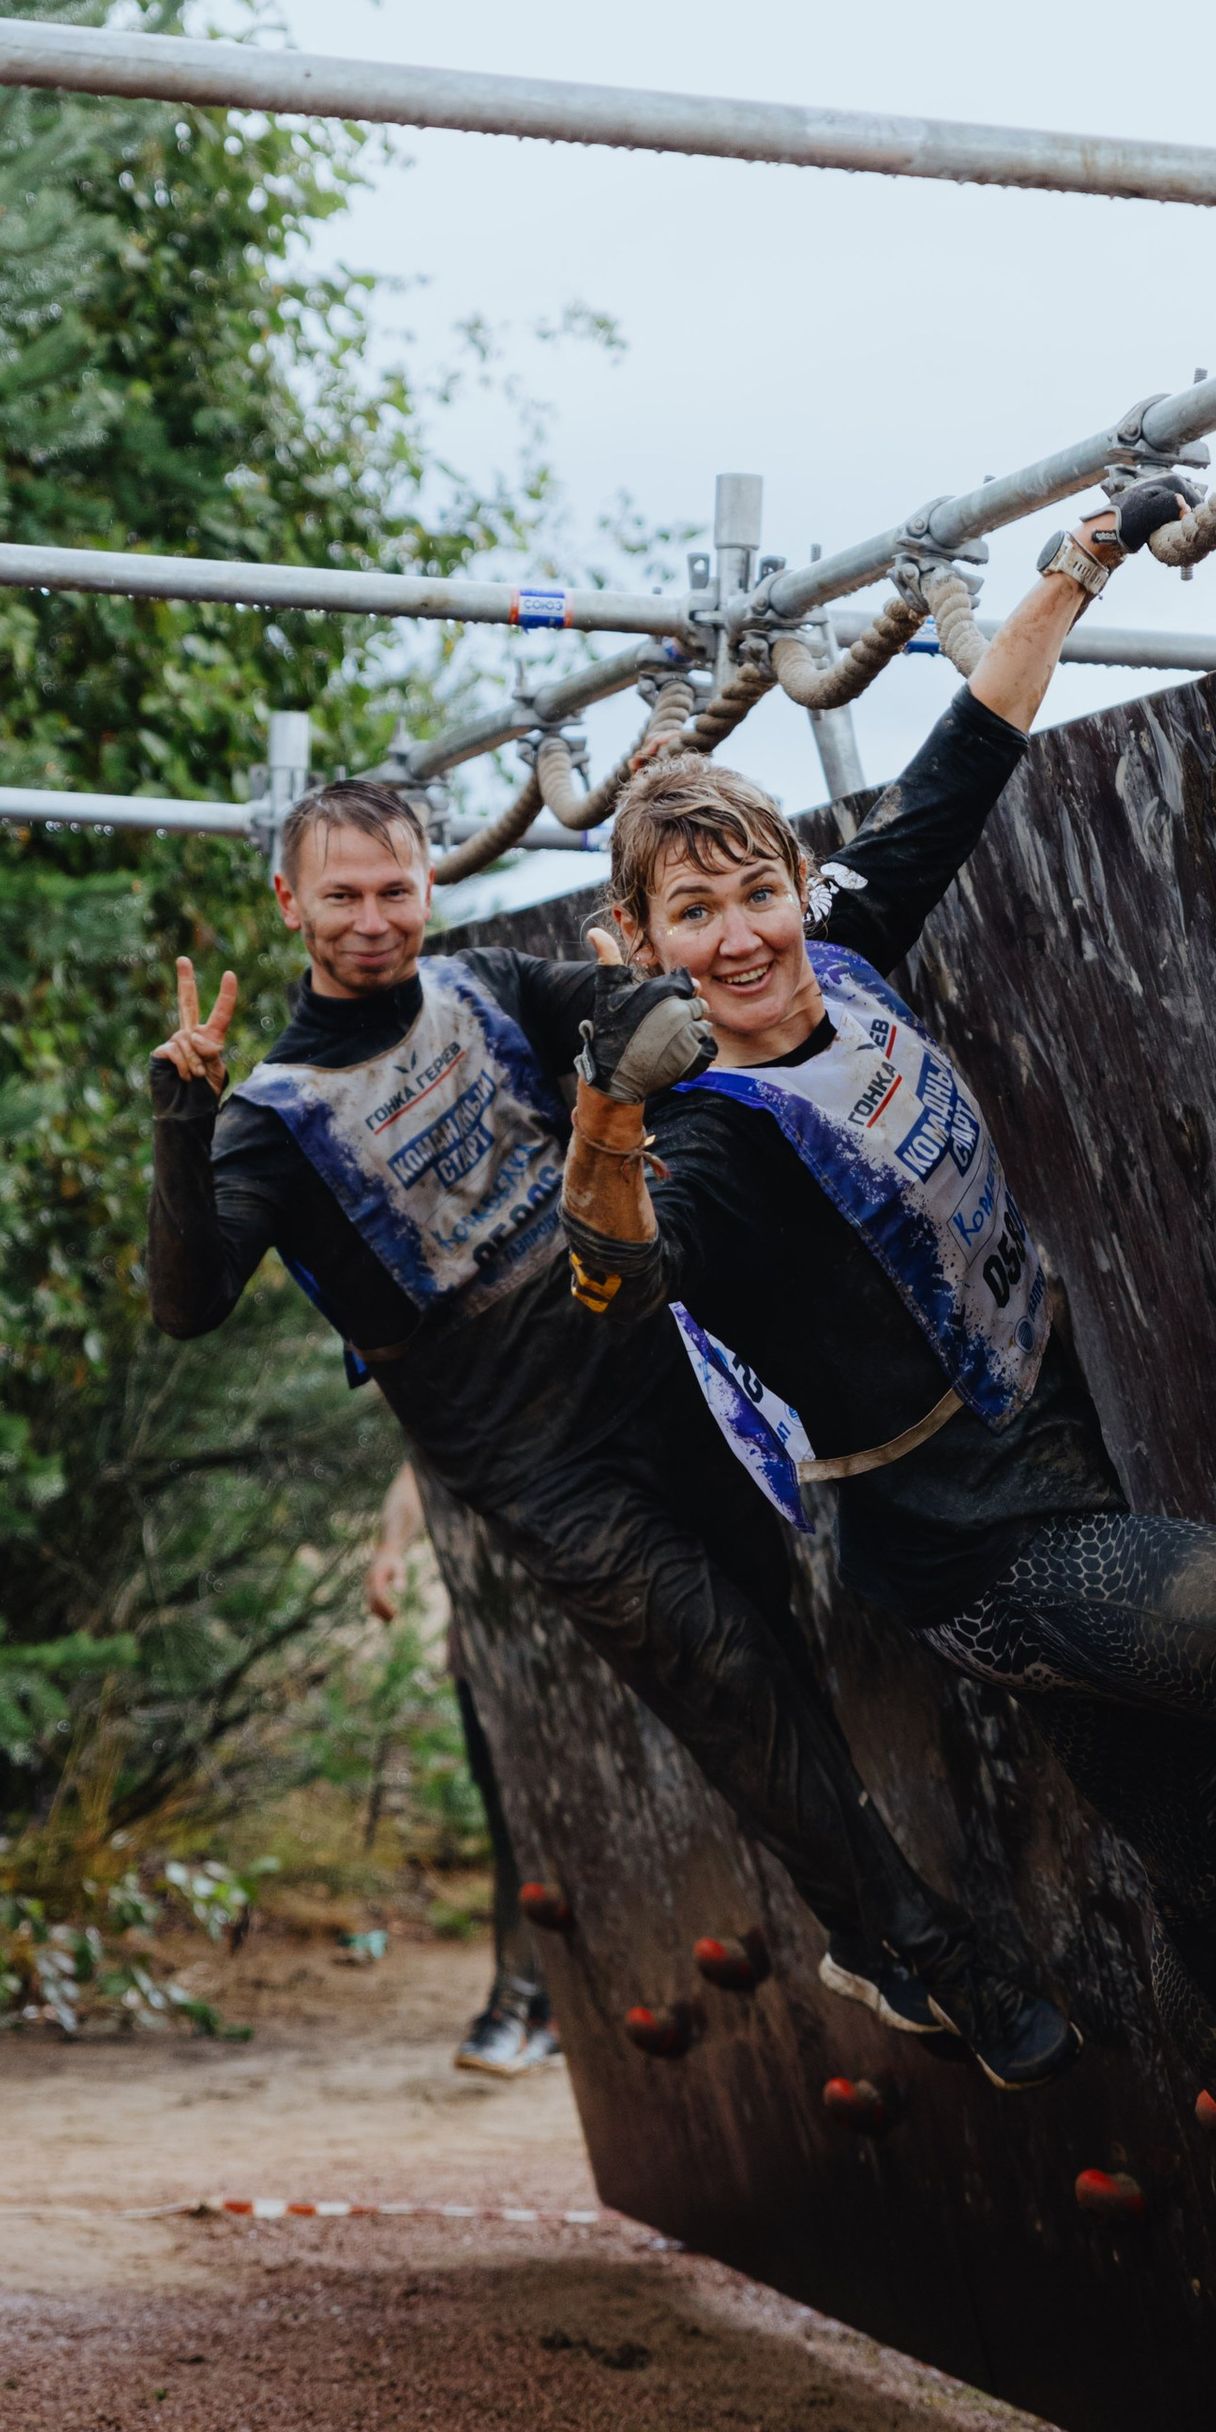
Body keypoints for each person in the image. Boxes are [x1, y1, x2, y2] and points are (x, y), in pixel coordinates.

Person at [559, 509, 1216, 2294]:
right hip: (993, 1549)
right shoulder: (702, 1148)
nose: (742, 937)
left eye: (758, 893)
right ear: (636, 938)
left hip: (1032, 1497)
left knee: (1204, 1856)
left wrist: (1071, 576)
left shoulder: (838, 960)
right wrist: (605, 1115)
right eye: (694, 915)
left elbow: (959, 770)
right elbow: (613, 1277)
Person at [146, 772, 1074, 2087]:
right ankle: (935, 1944)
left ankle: (863, 1934)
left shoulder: (487, 993)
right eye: (342, 895)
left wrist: (640, 993)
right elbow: (185, 1305)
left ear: (429, 890)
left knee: (777, 1648)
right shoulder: (276, 1116)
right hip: (539, 1469)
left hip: (660, 1377)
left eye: (395, 889)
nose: (372, 918)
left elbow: (664, 1035)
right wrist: (184, 1120)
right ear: (289, 902)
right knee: (727, 1677)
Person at [364, 1456, 559, 2078]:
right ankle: (523, 2010)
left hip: (598, 1641)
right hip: (490, 1649)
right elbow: (423, 1460)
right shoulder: (465, 1377)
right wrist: (392, 1545)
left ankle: (535, 2010)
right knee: (514, 1827)